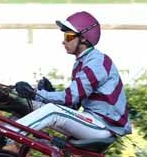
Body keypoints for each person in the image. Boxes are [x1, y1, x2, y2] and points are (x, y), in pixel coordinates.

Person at [12, 11, 131, 142]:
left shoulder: (97, 63)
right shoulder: (82, 62)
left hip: (104, 127)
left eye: (68, 36)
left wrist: (36, 94)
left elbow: (70, 98)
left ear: (84, 38)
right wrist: (45, 95)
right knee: (30, 105)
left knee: (52, 112)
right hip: (91, 122)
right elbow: (73, 105)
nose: (63, 42)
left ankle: (4, 137)